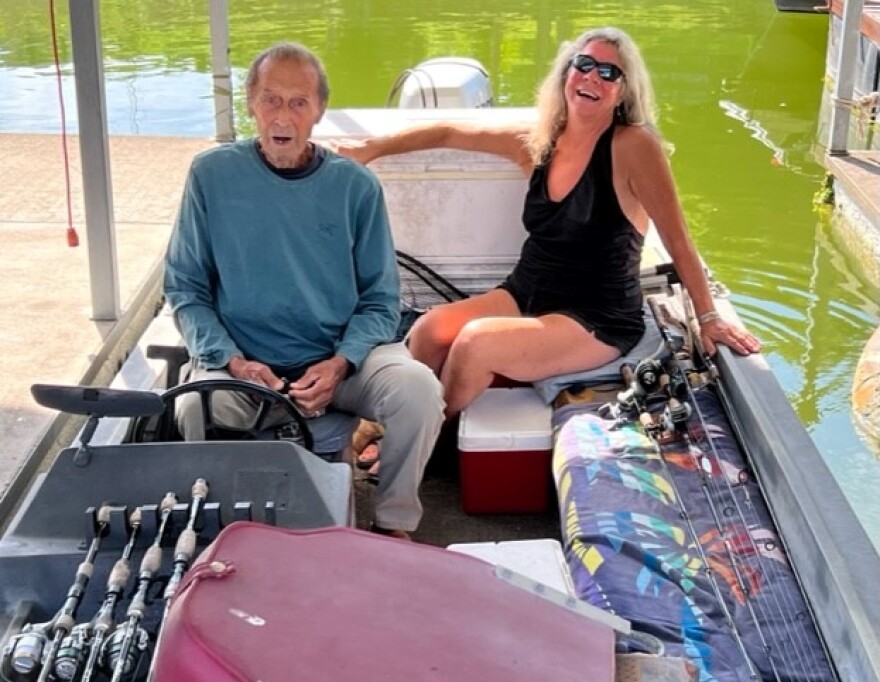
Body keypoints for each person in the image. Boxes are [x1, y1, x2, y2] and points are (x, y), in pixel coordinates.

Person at [337, 26, 761, 417]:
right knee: (430, 329)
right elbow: (447, 132)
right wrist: (369, 150)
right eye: (585, 64)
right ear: (567, 73)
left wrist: (708, 318)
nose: (592, 78)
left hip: (597, 316)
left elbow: (679, 239)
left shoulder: (634, 146)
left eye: (609, 73)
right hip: (527, 291)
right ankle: (400, 428)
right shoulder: (537, 140)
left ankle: (422, 438)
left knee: (475, 343)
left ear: (623, 92)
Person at [164, 42, 444, 540]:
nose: (283, 116)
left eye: (299, 102)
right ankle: (222, 531)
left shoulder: (355, 186)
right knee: (194, 407)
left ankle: (393, 525)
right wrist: (232, 361)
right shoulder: (211, 175)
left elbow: (380, 299)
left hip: (341, 359)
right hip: (245, 362)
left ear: (318, 111)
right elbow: (185, 287)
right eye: (271, 99)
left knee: (418, 390)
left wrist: (341, 363)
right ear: (250, 103)